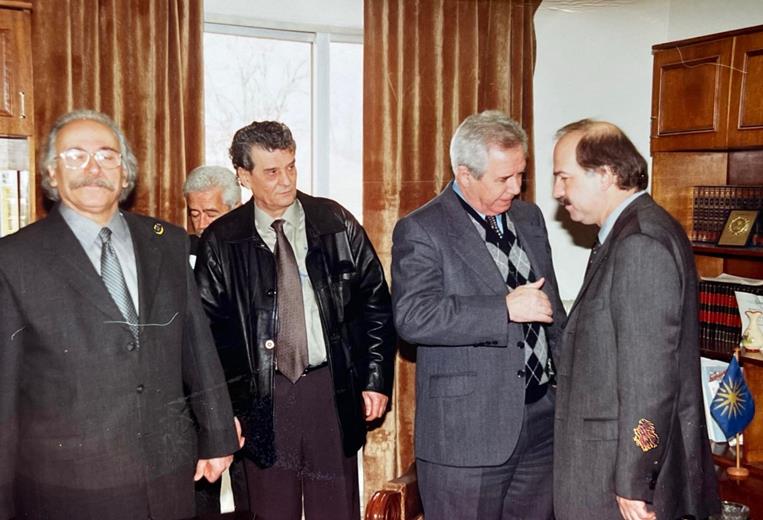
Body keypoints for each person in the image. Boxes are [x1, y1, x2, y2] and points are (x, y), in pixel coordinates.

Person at [0, 109, 240, 520]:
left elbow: (197, 347)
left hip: (168, 476)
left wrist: (218, 437)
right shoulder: (13, 260)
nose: (93, 168)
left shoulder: (168, 242)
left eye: (107, 155)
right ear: (52, 172)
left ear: (125, 172)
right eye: (75, 155)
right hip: (67, 490)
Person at [194, 120, 396, 519]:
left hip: (330, 388)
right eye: (271, 172)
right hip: (260, 398)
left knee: (335, 509)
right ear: (243, 176)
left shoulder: (335, 222)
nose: (286, 180)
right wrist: (223, 411)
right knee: (270, 511)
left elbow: (375, 302)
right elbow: (205, 336)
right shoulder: (221, 241)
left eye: (291, 166)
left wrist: (375, 378)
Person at [391, 110, 566, 520]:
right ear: (465, 175)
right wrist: (503, 308)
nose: (516, 188)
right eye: (503, 178)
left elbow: (552, 308)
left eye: (521, 174)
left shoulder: (529, 218)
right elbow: (413, 316)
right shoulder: (422, 228)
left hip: (541, 419)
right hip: (467, 435)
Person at [551, 119, 720, 520]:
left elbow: (649, 380)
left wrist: (634, 480)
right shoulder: (630, 232)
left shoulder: (640, 244)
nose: (557, 191)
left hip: (616, 482)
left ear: (605, 175)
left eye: (564, 177)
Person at [183, 165, 241, 258]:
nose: (201, 225)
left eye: (211, 215)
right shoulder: (182, 250)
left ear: (236, 210)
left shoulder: (254, 251)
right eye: (195, 214)